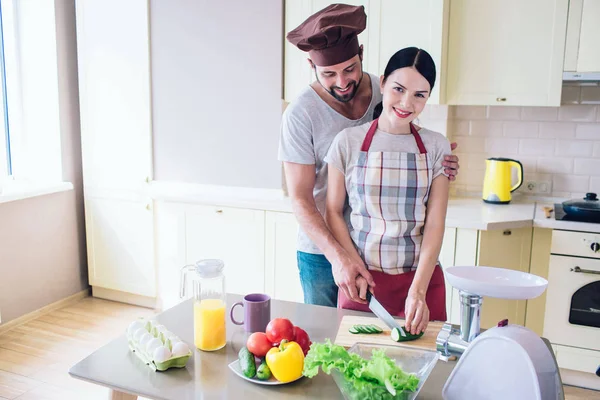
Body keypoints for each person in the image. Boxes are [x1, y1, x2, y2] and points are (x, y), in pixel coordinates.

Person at [278, 4, 460, 308]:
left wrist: (441, 161)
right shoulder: (300, 115)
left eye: (350, 69)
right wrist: (340, 258)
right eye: (329, 74)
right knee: (328, 344)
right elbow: (300, 199)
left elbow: (405, 132)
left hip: (382, 254)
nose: (342, 81)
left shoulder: (386, 88)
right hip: (323, 252)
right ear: (312, 66)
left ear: (361, 53)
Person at [325, 47, 449, 334]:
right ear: (382, 83)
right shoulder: (347, 142)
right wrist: (354, 266)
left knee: (423, 374)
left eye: (420, 94)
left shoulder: (436, 146)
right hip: (362, 283)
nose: (407, 102)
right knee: (355, 371)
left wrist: (417, 292)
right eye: (398, 89)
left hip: (421, 282)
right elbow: (333, 211)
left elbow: (435, 223)